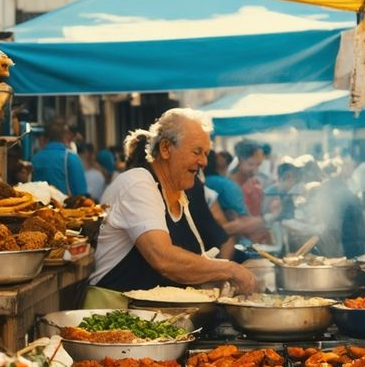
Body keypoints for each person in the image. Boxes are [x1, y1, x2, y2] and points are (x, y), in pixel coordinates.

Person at [86, 109, 257, 307]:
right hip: (113, 321)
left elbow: (187, 267)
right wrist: (230, 269)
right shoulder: (138, 184)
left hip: (153, 324)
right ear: (166, 148)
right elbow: (164, 259)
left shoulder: (179, 195)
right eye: (197, 151)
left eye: (206, 153)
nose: (204, 161)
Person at [31, 118, 88, 196]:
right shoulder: (71, 158)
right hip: (65, 207)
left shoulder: (34, 158)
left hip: (39, 207)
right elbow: (81, 193)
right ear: (65, 136)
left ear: (45, 137)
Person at [232, 140, 266, 216]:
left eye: (258, 165)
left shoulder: (255, 182)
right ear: (239, 161)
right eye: (250, 164)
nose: (255, 169)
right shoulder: (230, 185)